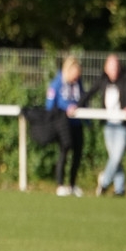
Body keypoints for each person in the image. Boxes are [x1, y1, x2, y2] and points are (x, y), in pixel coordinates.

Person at [75, 54, 126, 196]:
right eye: (111, 67)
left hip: (122, 125)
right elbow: (90, 93)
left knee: (116, 157)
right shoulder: (103, 79)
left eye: (116, 67)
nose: (114, 70)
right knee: (114, 158)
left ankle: (104, 182)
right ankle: (120, 189)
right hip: (109, 125)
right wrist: (77, 106)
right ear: (106, 68)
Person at [46, 55, 85, 197]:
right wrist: (65, 109)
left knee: (78, 153)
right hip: (63, 123)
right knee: (64, 150)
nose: (76, 78)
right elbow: (50, 104)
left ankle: (73, 185)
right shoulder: (57, 83)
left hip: (77, 122)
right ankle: (60, 184)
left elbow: (82, 98)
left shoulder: (78, 83)